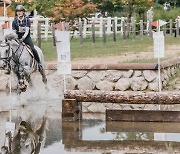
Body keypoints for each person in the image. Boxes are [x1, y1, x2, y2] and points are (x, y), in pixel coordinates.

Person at [12, 5, 43, 72]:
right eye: (17, 11)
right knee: (11, 49)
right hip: (17, 39)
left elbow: (27, 31)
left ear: (23, 12)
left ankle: (39, 63)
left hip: (26, 38)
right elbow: (14, 32)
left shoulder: (27, 20)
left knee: (33, 49)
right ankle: (9, 66)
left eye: (20, 11)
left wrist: (23, 38)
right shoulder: (14, 21)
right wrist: (16, 38)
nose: (19, 13)